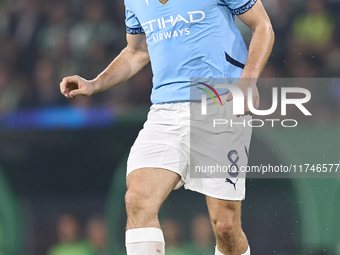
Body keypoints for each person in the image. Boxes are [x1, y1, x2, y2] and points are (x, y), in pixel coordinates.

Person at [60, 0, 274, 254]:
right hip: (165, 112)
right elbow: (137, 51)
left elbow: (263, 25)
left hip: (220, 105)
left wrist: (249, 79)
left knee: (225, 225)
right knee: (137, 199)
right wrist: (95, 83)